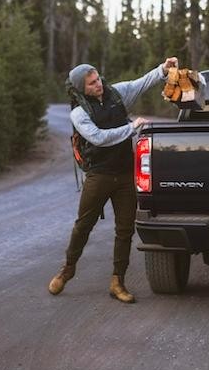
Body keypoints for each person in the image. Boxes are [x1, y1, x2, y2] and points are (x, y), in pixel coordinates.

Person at [48, 57, 179, 303]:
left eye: (97, 79)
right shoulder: (79, 113)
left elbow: (141, 83)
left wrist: (163, 69)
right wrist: (132, 127)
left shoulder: (115, 94)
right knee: (83, 226)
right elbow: (98, 138)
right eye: (91, 83)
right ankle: (68, 269)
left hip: (125, 174)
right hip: (99, 175)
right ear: (81, 89)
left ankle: (118, 281)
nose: (98, 85)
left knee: (125, 230)